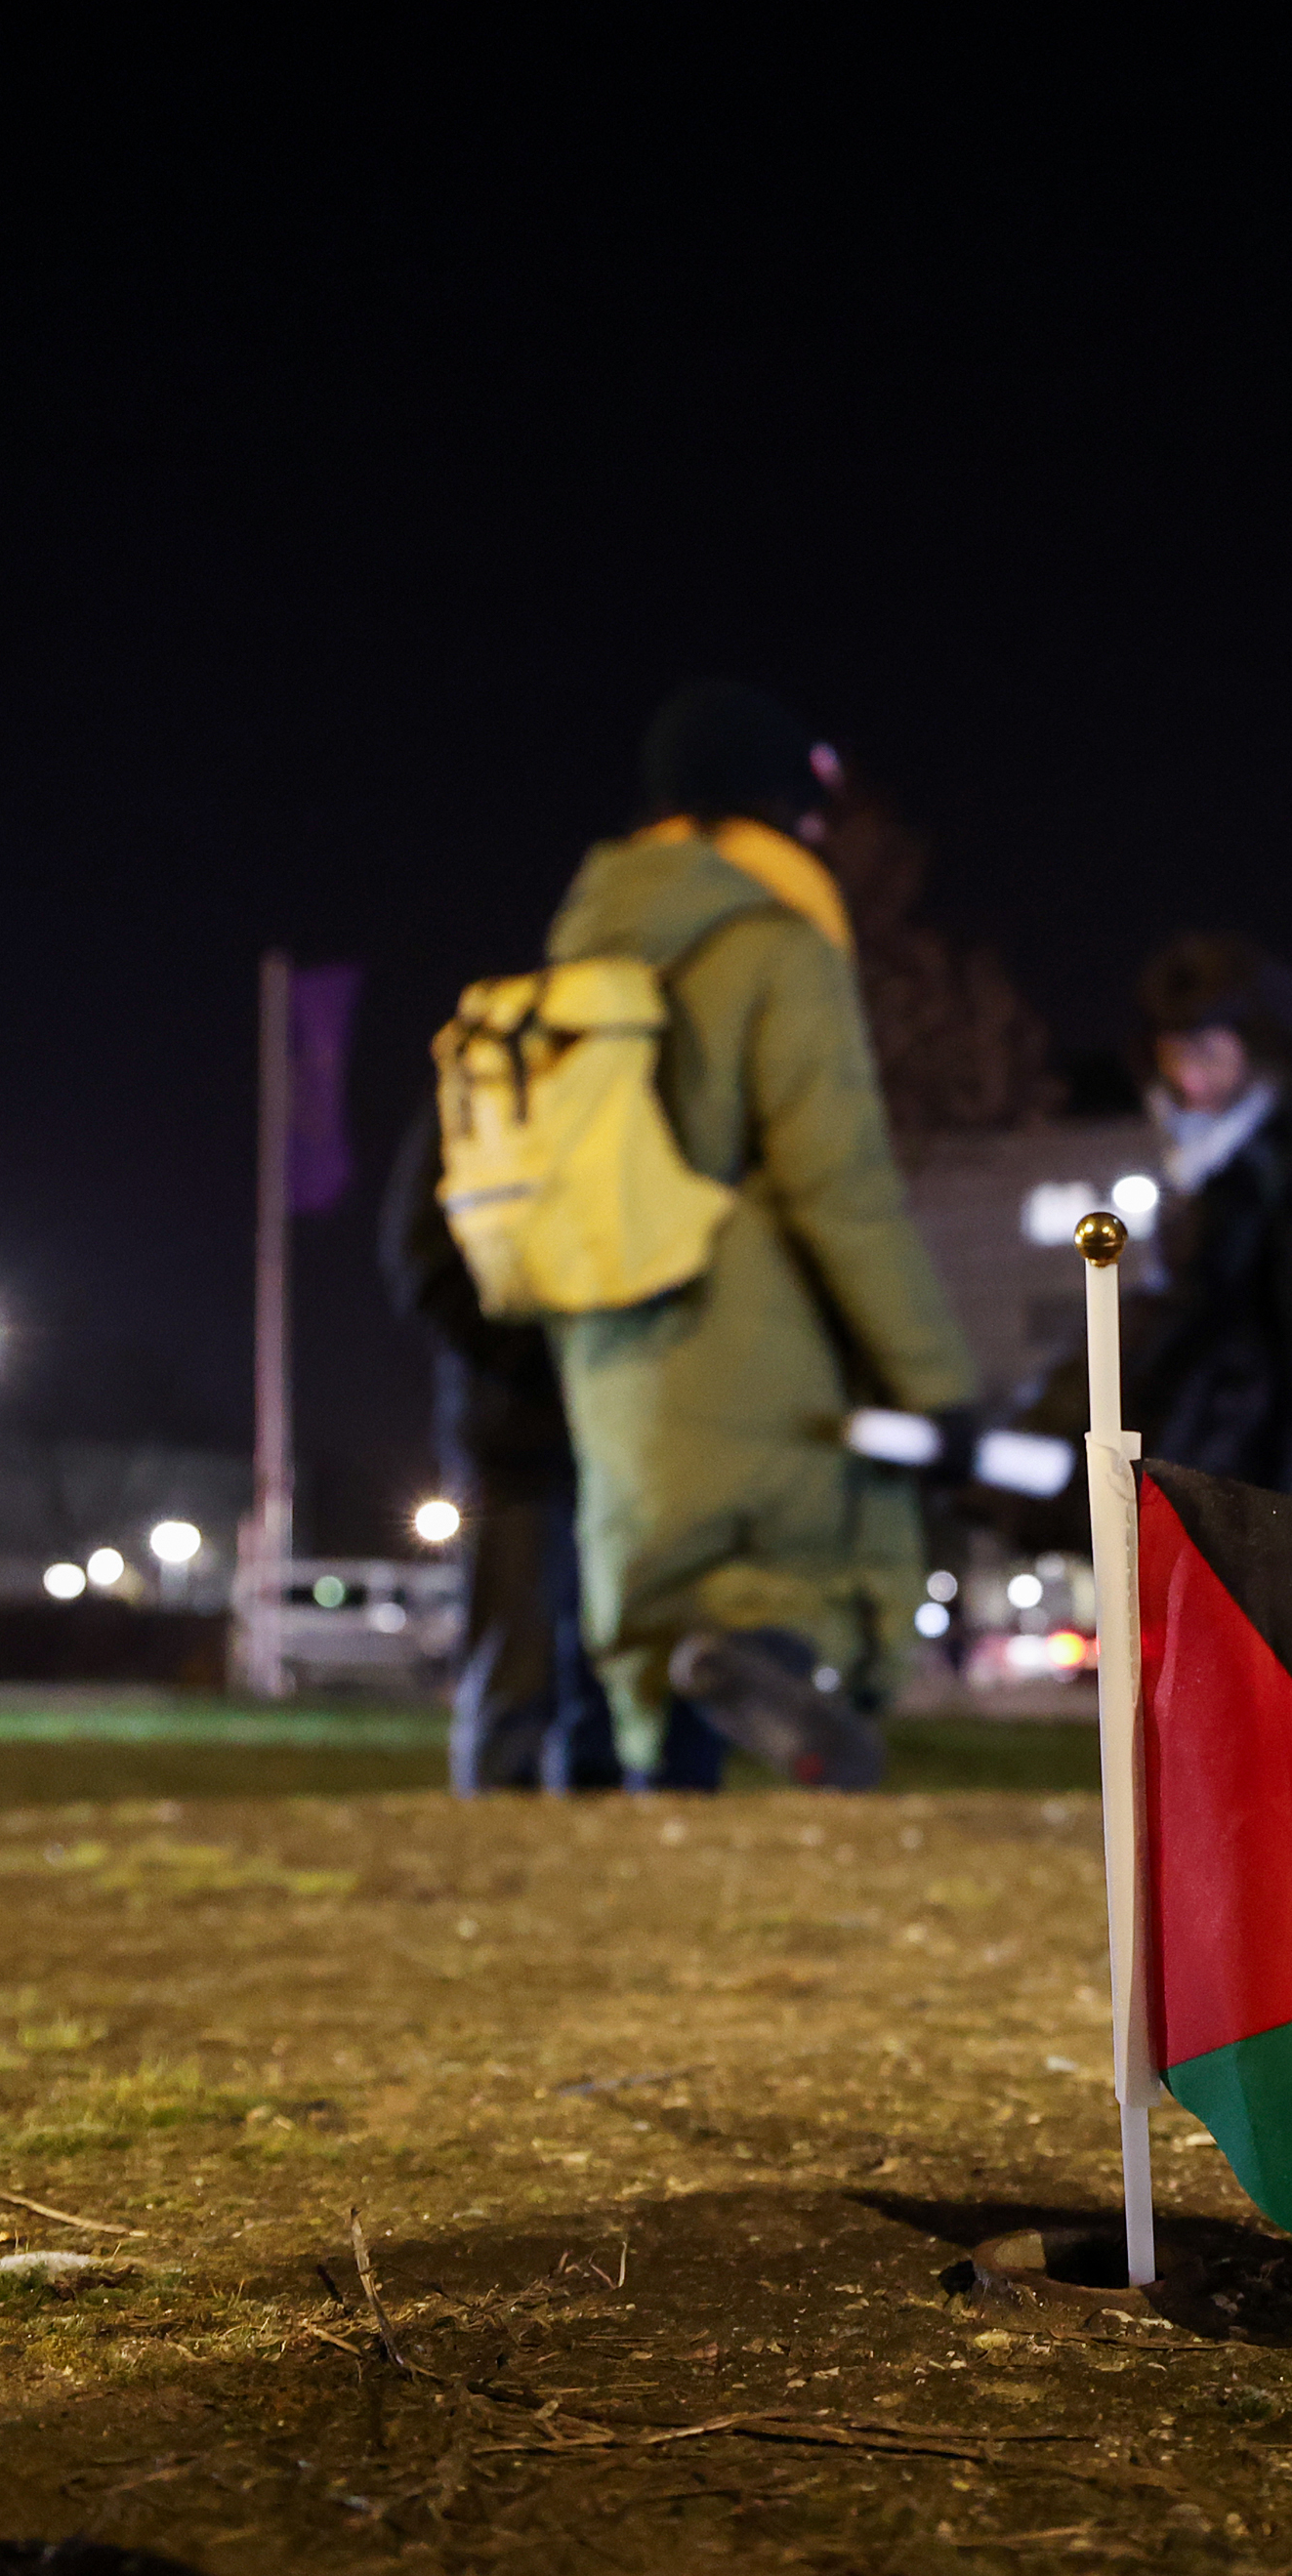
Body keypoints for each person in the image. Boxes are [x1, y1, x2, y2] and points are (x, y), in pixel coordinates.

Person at [541, 682, 976, 1789]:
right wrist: (935, 1384)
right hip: (757, 1332)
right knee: (788, 1591)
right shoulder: (772, 943)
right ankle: (758, 1675)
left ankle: (670, 1785)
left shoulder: (582, 950)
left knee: (660, 1627)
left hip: (609, 1339)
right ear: (778, 809)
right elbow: (842, 1184)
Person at [382, 1105, 631, 1792]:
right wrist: (528, 1355)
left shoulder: (625, 1081)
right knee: (513, 1651)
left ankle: (602, 1816)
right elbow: (423, 1254)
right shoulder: (477, 1088)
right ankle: (498, 1823)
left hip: (605, 1421)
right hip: (516, 1426)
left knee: (608, 1653)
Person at [1123, 935, 1292, 1512]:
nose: (1189, 1078)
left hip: (1264, 1457)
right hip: (1209, 1443)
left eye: (1207, 1053)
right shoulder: (1200, 1158)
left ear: (1251, 1047)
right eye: (1175, 1054)